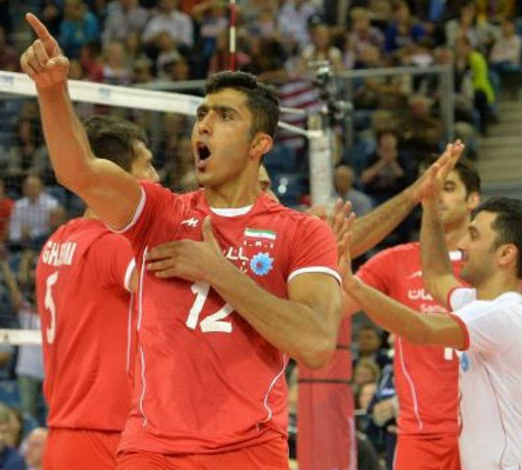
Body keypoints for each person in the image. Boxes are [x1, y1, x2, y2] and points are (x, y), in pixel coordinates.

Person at [22, 13, 343, 469]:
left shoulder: (302, 231)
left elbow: (316, 344)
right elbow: (80, 172)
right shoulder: (161, 213)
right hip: (153, 450)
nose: (204, 125)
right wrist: (52, 90)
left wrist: (218, 271)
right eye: (202, 114)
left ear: (259, 145)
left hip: (249, 451)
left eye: (225, 116)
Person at [340, 144, 522, 470]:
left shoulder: (504, 313)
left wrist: (353, 285)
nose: (463, 245)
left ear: (506, 254)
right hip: (434, 439)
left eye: (474, 236)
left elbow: (422, 329)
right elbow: (437, 277)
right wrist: (428, 202)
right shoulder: (474, 300)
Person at [35, 116, 158, 470]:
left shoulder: (57, 241)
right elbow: (175, 294)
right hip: (105, 435)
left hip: (64, 434)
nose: (156, 178)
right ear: (115, 177)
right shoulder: (112, 245)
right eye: (147, 166)